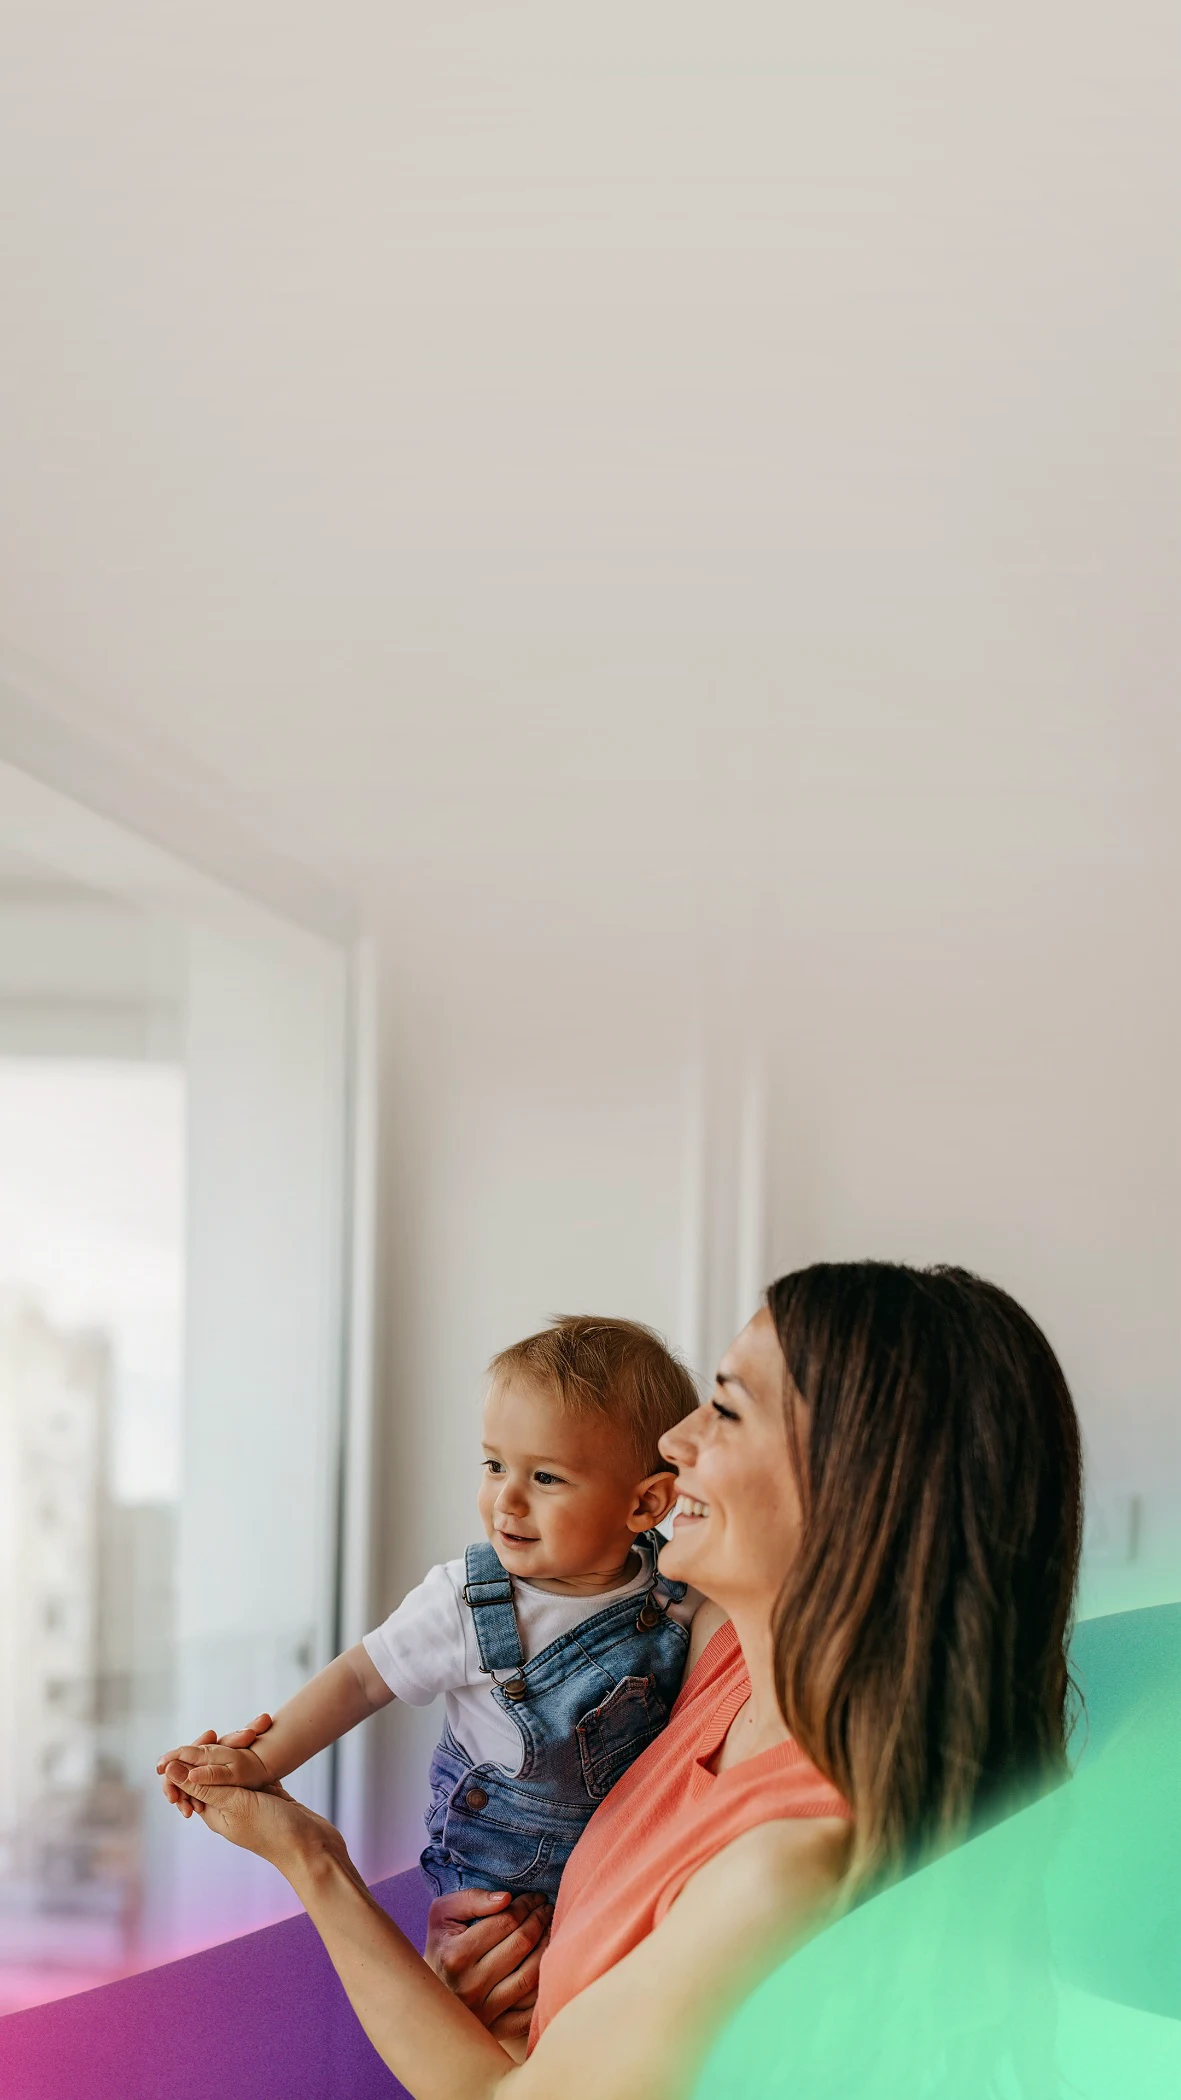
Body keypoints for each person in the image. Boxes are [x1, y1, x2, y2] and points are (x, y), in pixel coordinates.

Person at [163, 1262, 1083, 2100]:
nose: (675, 1442)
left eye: (722, 1410)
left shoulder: (787, 1863)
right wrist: (484, 1987)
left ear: (850, 1485)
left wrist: (309, 1858)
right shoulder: (716, 1657)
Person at [158, 1316, 703, 1924]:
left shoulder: (674, 1590)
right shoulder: (466, 1601)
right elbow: (360, 1681)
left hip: (619, 1877)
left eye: (545, 1477)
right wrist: (263, 1761)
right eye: (494, 1466)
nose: (507, 1500)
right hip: (496, 1890)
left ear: (645, 1503)